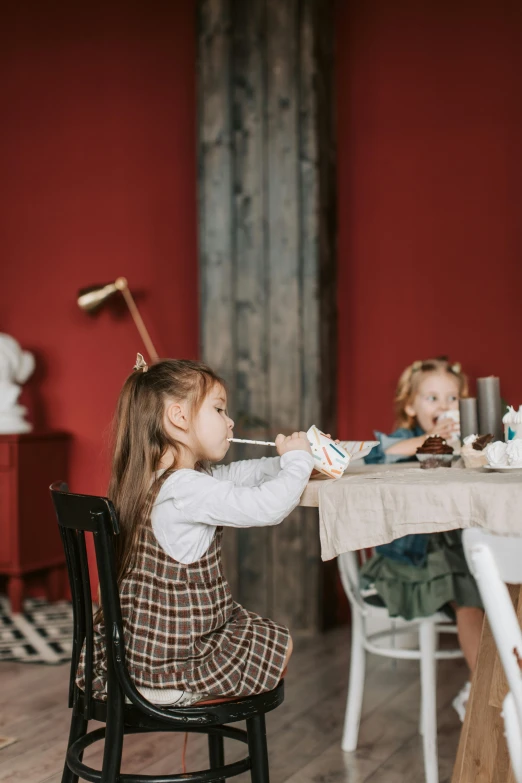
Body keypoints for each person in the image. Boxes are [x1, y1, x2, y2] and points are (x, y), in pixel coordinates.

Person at [77, 355, 314, 706]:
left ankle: (178, 684)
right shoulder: (185, 489)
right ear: (179, 417)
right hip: (173, 661)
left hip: (144, 651)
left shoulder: (159, 480)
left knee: (264, 637)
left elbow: (239, 476)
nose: (230, 422)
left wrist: (285, 460)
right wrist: (298, 461)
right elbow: (269, 507)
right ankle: (183, 692)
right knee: (282, 644)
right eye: (219, 410)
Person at [361, 357, 484, 721]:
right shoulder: (403, 440)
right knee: (469, 596)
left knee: (498, 590)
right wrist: (430, 441)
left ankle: (485, 688)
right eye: (431, 398)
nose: (443, 406)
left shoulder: (467, 443)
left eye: (451, 398)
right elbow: (375, 454)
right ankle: (485, 691)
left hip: (453, 549)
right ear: (411, 406)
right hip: (410, 558)